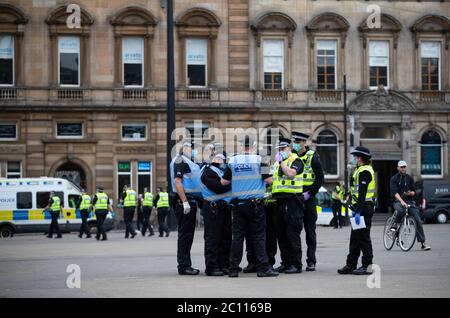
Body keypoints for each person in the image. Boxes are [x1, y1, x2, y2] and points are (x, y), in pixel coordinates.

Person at [221, 136, 278, 278]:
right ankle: (263, 268)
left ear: (241, 146)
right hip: (256, 205)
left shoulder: (233, 161)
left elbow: (223, 182)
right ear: (253, 145)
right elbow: (269, 180)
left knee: (238, 237)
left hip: (238, 205)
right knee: (258, 237)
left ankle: (233, 269)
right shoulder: (261, 160)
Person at [338, 146, 376, 275]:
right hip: (360, 208)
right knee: (355, 238)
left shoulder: (365, 171)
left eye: (355, 157)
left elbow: (362, 193)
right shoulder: (359, 170)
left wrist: (358, 211)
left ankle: (367, 266)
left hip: (364, 208)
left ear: (360, 157)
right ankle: (351, 265)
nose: (353, 159)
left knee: (364, 238)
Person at [291, 131, 324, 272]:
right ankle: (295, 261)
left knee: (310, 232)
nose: (296, 145)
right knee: (293, 231)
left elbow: (320, 179)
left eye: (298, 142)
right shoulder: (291, 156)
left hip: (308, 198)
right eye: (295, 142)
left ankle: (311, 261)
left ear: (304, 143)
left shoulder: (313, 157)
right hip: (295, 198)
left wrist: (310, 193)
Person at [271, 138, 304, 274]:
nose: (280, 151)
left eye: (282, 149)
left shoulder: (296, 161)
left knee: (292, 234)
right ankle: (286, 263)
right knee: (281, 234)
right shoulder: (278, 164)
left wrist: (280, 162)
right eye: (278, 149)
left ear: (289, 148)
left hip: (292, 201)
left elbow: (291, 175)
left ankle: (296, 264)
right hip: (279, 201)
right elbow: (273, 181)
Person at [170, 140, 203, 275]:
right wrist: (184, 202)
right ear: (184, 148)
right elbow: (177, 182)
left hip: (191, 201)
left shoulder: (189, 162)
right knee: (185, 235)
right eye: (192, 148)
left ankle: (185, 264)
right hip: (184, 202)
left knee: (188, 235)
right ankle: (184, 266)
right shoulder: (180, 161)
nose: (194, 151)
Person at [200, 151, 233, 276]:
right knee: (213, 238)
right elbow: (219, 187)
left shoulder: (220, 171)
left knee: (225, 238)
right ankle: (212, 267)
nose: (222, 161)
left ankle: (224, 264)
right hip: (213, 208)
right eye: (220, 158)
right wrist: (230, 183)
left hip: (224, 207)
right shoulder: (208, 171)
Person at [390, 160, 431, 250]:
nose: (403, 168)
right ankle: (395, 224)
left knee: (418, 221)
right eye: (401, 167)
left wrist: (411, 193)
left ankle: (423, 243)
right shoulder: (394, 179)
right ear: (398, 168)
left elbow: (413, 191)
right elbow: (395, 193)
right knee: (400, 210)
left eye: (404, 167)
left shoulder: (409, 178)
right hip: (398, 201)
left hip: (410, 202)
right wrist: (401, 201)